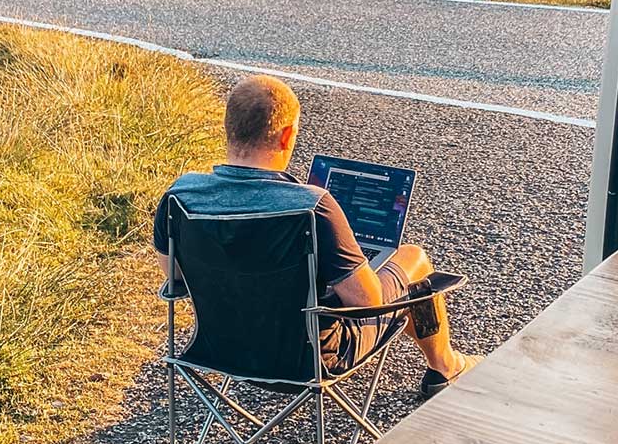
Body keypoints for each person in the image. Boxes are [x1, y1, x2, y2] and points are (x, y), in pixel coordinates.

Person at [154, 74, 478, 400]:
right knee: (414, 259)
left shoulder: (181, 196)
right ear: (287, 136)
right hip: (310, 361)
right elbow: (370, 303)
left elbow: (176, 276)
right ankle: (446, 367)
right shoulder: (312, 206)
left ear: (229, 127)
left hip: (218, 349)